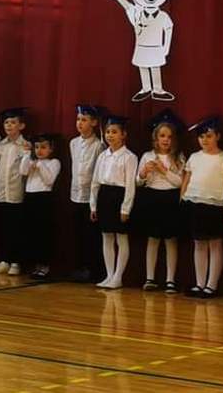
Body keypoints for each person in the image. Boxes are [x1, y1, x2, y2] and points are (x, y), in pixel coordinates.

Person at [181, 117, 223, 299]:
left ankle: (212, 285)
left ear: (218, 136)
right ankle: (200, 283)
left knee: (215, 244)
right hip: (194, 203)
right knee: (199, 244)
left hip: (215, 205)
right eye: (201, 137)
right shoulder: (194, 157)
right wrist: (182, 196)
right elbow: (187, 178)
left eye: (209, 136)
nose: (205, 140)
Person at [136, 109, 185, 294]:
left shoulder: (178, 157)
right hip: (152, 198)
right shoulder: (147, 156)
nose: (166, 140)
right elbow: (138, 181)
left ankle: (170, 280)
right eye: (162, 136)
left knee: (171, 240)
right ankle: (150, 278)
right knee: (153, 239)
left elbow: (180, 182)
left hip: (171, 199)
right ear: (156, 138)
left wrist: (164, 171)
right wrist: (144, 173)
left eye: (169, 137)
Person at [90, 114, 138, 289]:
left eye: (114, 132)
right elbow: (95, 182)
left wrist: (126, 208)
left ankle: (118, 276)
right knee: (107, 237)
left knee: (121, 238)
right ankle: (109, 275)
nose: (110, 135)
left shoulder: (129, 157)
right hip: (104, 196)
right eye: (108, 132)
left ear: (123, 134)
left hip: (119, 197)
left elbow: (130, 186)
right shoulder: (103, 156)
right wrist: (93, 205)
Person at [0, 108, 30, 275]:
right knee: (3, 228)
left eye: (13, 122)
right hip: (2, 192)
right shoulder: (0, 145)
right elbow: (0, 166)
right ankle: (4, 260)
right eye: (6, 122)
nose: (9, 125)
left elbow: (24, 171)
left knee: (16, 229)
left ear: (21, 125)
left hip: (16, 191)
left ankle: (15, 262)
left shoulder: (25, 145)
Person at [69, 104, 106, 283]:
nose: (80, 123)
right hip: (75, 195)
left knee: (91, 236)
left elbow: (97, 173)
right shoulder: (73, 143)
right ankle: (79, 267)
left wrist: (93, 199)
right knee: (77, 235)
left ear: (94, 123)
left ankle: (93, 270)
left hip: (91, 197)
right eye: (78, 119)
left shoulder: (99, 145)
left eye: (84, 120)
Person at [20, 134, 61, 280]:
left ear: (51, 149)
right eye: (36, 147)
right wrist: (26, 154)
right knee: (31, 233)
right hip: (30, 198)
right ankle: (35, 265)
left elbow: (49, 180)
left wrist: (39, 166)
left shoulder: (54, 162)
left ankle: (45, 266)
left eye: (43, 147)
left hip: (43, 199)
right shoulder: (33, 160)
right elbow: (23, 171)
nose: (39, 150)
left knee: (43, 233)